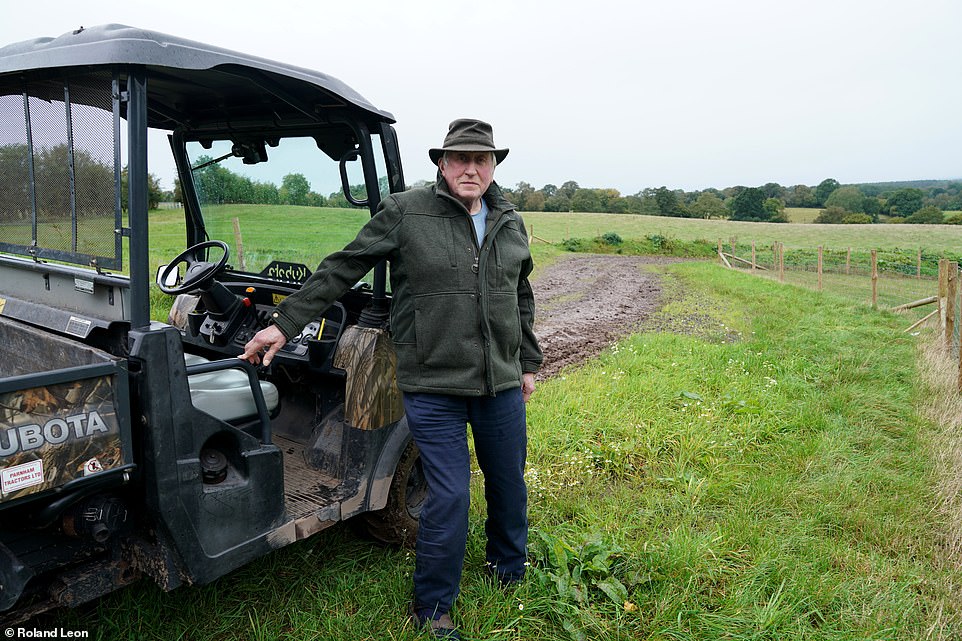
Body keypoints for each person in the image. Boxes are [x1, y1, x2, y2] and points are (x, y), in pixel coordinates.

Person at [239, 118, 542, 639]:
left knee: (509, 482)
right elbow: (344, 266)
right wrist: (284, 324)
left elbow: (521, 295)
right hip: (432, 384)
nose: (471, 168)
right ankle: (434, 608)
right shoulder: (407, 212)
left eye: (482, 160)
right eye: (460, 159)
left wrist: (528, 363)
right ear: (441, 165)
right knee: (449, 494)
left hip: (499, 382)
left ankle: (508, 570)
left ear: (494, 166)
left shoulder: (508, 220)